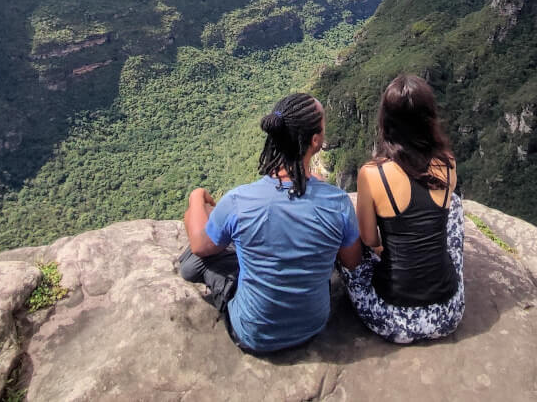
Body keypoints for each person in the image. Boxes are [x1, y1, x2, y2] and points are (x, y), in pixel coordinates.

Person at [180, 92, 362, 354]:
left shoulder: (239, 201)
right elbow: (352, 261)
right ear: (315, 141)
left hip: (253, 334)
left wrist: (196, 197)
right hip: (312, 326)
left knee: (199, 258)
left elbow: (199, 246)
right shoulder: (338, 203)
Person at [343, 74, 465, 343]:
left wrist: (379, 249)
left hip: (392, 317)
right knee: (454, 205)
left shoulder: (372, 174)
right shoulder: (447, 163)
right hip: (448, 312)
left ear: (386, 121)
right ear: (429, 118)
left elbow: (369, 239)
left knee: (348, 246)